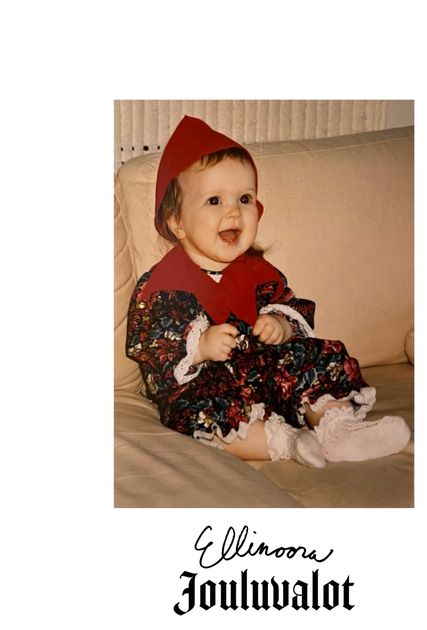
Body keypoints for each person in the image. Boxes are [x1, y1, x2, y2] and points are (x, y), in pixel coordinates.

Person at [126, 115, 410, 468]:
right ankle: (283, 442)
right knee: (200, 411)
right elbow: (151, 345)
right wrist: (199, 347)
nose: (234, 211)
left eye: (244, 198)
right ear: (177, 222)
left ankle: (337, 428)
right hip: (209, 384)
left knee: (313, 356)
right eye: (214, 201)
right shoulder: (164, 285)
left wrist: (281, 324)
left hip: (267, 375)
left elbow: (289, 304)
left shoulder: (258, 271)